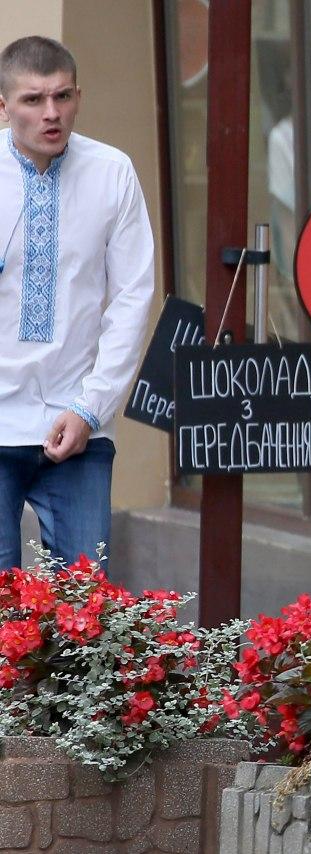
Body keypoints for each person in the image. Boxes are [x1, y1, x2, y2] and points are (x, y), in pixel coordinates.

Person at [0, 36, 155, 570]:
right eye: (33, 99)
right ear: (3, 106)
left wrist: (92, 406)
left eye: (63, 97)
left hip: (77, 423)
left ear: (79, 97)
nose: (51, 113)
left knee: (87, 611)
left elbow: (133, 297)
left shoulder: (112, 172)